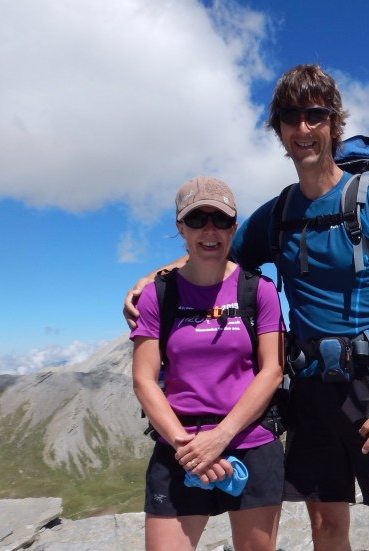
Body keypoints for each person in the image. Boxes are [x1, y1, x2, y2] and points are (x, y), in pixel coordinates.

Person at [126, 65, 369, 551]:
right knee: (326, 526)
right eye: (291, 117)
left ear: (334, 124)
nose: (303, 127)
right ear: (280, 131)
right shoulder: (278, 214)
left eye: (315, 115)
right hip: (311, 390)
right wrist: (155, 278)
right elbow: (212, 253)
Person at [130, 176, 285, 551]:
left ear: (234, 227)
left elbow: (273, 371)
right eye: (197, 220)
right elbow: (143, 380)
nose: (209, 230)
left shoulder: (259, 290)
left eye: (220, 220)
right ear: (181, 228)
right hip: (179, 444)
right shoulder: (157, 295)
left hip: (249, 442)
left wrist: (220, 438)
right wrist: (188, 448)